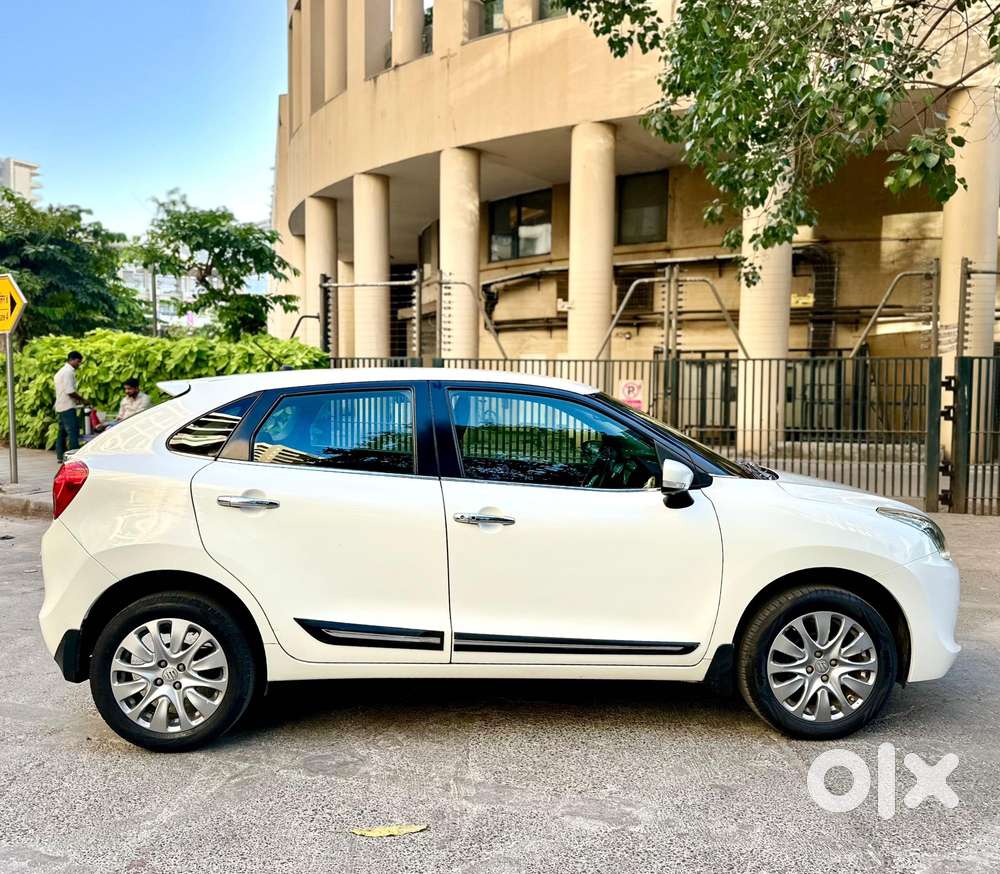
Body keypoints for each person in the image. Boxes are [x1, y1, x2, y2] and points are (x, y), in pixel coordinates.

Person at [53, 351, 86, 463]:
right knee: (73, 431)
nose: (79, 364)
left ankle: (60, 456)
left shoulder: (61, 371)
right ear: (72, 360)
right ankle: (73, 458)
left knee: (62, 432)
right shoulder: (68, 372)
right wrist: (83, 400)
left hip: (60, 405)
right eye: (78, 361)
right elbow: (70, 391)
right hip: (67, 406)